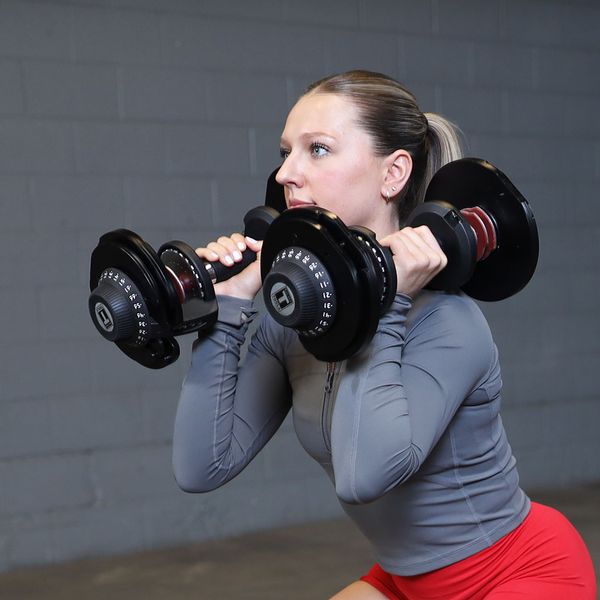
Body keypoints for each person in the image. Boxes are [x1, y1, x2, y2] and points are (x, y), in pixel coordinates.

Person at [172, 70, 597, 599]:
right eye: (286, 152)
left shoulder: (448, 322)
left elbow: (364, 476)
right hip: (405, 582)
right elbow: (201, 465)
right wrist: (230, 307)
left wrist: (387, 300)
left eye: (318, 150)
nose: (286, 173)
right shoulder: (295, 326)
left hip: (517, 573)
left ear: (393, 174)